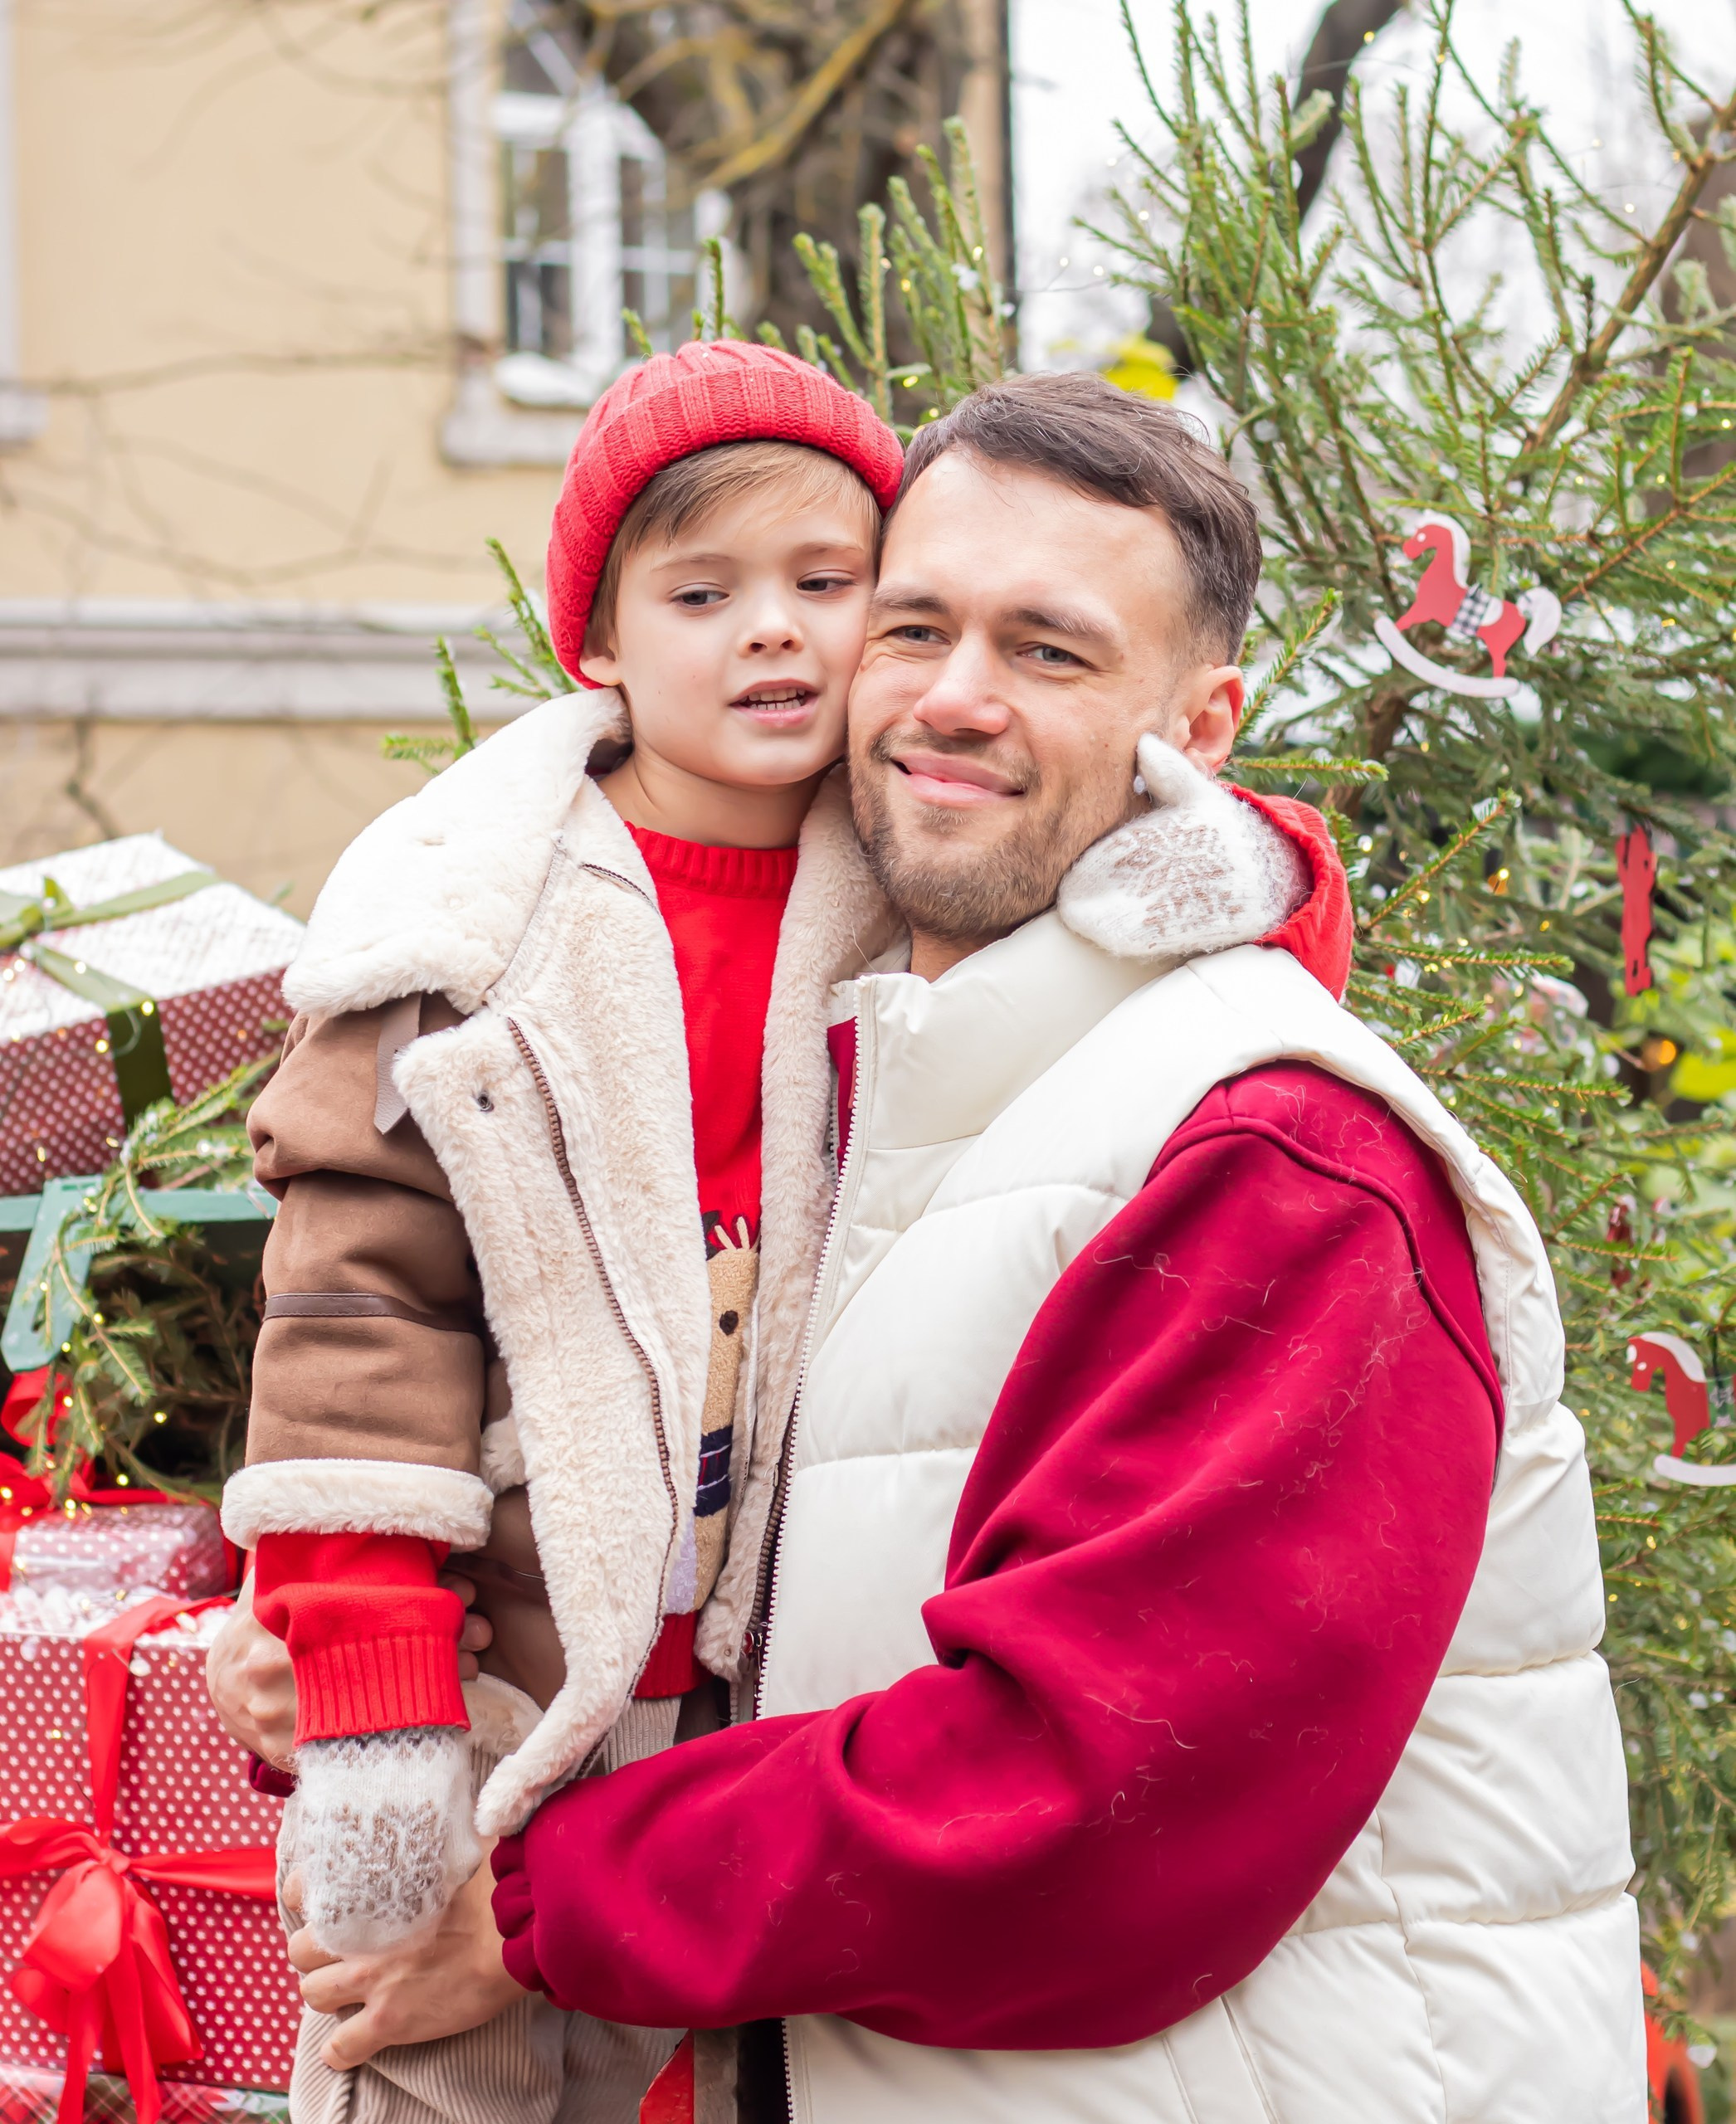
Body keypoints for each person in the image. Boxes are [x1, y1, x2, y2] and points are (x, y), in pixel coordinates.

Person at [209, 348, 1343, 2124]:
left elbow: (1162, 876)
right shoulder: (468, 927)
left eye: (829, 588)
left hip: (782, 1704)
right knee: (427, 2062)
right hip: (514, 1682)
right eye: (703, 592)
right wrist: (359, 1664)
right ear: (595, 639)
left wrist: (1252, 872)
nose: (776, 638)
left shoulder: (910, 870)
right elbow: (361, 1316)